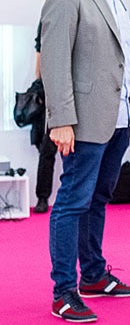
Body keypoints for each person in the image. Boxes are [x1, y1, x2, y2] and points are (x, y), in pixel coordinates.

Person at [40, 0, 130, 323]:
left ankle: (94, 275)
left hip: (117, 118)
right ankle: (63, 291)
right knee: (71, 203)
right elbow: (54, 59)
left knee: (98, 199)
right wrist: (60, 118)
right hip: (82, 121)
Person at [30, 24, 58, 214]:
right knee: (47, 149)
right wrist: (39, 84)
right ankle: (42, 197)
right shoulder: (48, 20)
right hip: (50, 94)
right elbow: (40, 52)